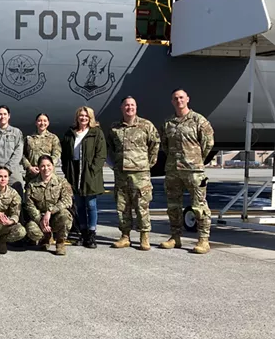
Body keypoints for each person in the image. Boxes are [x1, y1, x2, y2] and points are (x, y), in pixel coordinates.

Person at [160, 89, 214, 254]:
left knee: (199, 205)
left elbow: (208, 143)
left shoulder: (199, 120)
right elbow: (164, 145)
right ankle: (175, 237)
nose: (179, 100)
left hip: (193, 170)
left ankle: (203, 240)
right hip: (173, 170)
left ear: (187, 99)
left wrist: (196, 159)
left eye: (181, 97)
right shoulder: (168, 122)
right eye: (175, 98)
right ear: (172, 101)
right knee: (173, 206)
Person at [107, 97, 160, 251]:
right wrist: (116, 164)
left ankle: (144, 236)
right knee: (122, 205)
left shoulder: (146, 125)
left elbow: (155, 144)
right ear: (121, 108)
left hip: (140, 173)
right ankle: (125, 236)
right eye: (126, 105)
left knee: (142, 205)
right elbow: (110, 147)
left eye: (132, 105)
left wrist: (148, 163)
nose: (129, 108)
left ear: (136, 108)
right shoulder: (114, 128)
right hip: (121, 173)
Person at [61, 106, 106, 249]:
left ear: (90, 118)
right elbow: (65, 155)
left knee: (91, 205)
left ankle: (92, 234)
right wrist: (67, 170)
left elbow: (101, 154)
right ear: (77, 117)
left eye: (86, 116)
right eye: (81, 115)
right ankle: (83, 232)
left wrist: (93, 170)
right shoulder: (70, 133)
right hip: (74, 171)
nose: (83, 118)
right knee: (79, 205)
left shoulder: (96, 133)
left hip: (89, 172)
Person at [25, 155, 74, 256]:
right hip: (40, 217)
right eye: (42, 166)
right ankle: (45, 238)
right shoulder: (32, 184)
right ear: (38, 167)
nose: (46, 168)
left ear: (53, 166)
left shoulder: (62, 182)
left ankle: (60, 243)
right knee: (31, 229)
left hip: (55, 216)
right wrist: (40, 220)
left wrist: (50, 211)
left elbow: (67, 201)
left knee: (66, 216)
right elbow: (29, 205)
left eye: (48, 165)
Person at [22, 113, 61, 185]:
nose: (42, 123)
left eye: (45, 121)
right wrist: (29, 167)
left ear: (48, 123)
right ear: (36, 123)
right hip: (32, 175)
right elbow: (22, 155)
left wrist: (46, 167)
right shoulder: (29, 139)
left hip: (48, 175)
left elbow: (57, 154)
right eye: (40, 121)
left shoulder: (53, 138)